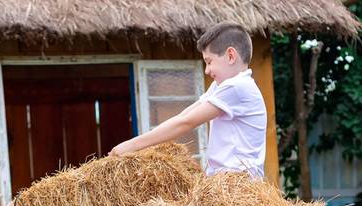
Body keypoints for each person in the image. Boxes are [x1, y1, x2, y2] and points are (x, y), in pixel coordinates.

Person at [110, 22, 267, 179]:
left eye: (209, 61)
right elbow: (184, 116)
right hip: (223, 182)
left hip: (239, 183)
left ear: (231, 56)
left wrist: (131, 145)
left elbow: (187, 122)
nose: (207, 70)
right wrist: (139, 144)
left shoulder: (238, 87)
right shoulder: (220, 86)